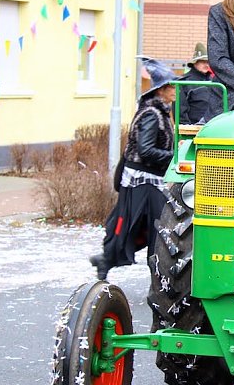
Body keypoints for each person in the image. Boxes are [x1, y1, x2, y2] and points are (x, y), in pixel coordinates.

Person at [89, 59, 177, 280]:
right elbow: (145, 151)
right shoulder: (151, 114)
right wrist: (172, 158)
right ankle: (153, 271)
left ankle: (109, 260)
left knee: (148, 227)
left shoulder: (160, 111)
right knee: (147, 226)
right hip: (142, 180)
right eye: (171, 87)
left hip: (150, 179)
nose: (175, 91)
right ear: (161, 91)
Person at [179, 42, 223, 124]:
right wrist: (186, 130)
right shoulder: (184, 82)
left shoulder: (214, 81)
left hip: (213, 126)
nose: (206, 65)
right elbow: (180, 111)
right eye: (203, 62)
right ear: (195, 62)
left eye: (207, 62)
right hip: (192, 129)